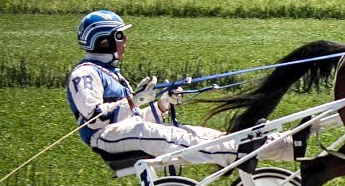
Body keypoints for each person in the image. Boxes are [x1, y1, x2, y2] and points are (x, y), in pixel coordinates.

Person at [67, 10, 288, 167]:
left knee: (199, 134)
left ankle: (284, 145)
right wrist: (136, 99)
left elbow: (133, 117)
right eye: (120, 35)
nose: (126, 40)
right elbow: (94, 118)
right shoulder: (85, 73)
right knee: (170, 137)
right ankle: (239, 153)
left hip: (126, 131)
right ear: (104, 41)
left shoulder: (111, 73)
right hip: (104, 137)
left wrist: (162, 104)